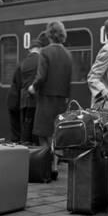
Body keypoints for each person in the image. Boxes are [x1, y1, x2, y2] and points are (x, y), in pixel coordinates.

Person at [28, 21, 73, 179]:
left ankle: (45, 166)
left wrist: (33, 87)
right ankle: (54, 166)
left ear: (49, 35)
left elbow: (41, 76)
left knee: (42, 133)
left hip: (46, 98)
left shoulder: (45, 52)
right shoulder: (68, 54)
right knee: (55, 134)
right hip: (61, 100)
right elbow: (69, 80)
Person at [19, 32, 49, 143]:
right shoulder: (40, 60)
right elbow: (41, 77)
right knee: (35, 127)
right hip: (36, 98)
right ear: (39, 48)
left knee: (26, 124)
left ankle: (25, 146)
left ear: (30, 49)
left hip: (24, 99)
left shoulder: (24, 62)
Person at [6, 65, 22, 142]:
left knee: (15, 128)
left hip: (13, 102)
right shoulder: (20, 73)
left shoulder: (18, 70)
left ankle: (15, 143)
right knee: (16, 129)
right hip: (15, 103)